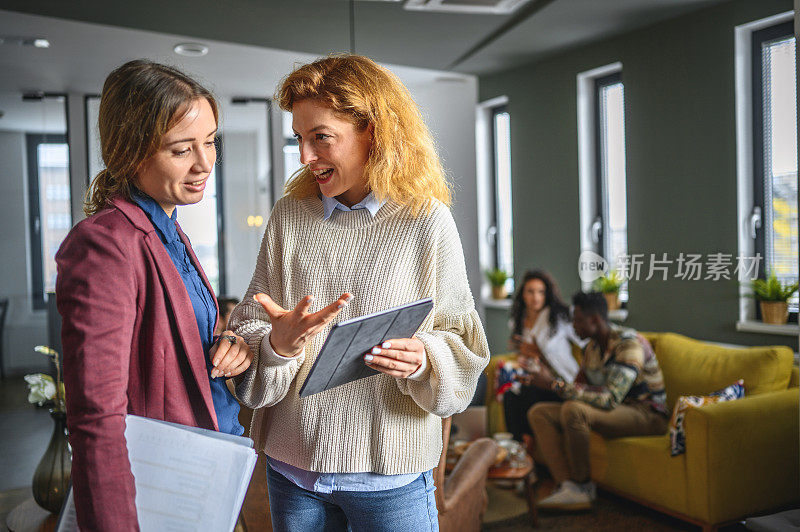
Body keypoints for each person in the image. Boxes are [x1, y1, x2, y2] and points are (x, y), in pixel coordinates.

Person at [228, 54, 490, 532]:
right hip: (293, 471)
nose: (305, 156)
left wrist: (423, 358)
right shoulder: (290, 215)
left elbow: (463, 342)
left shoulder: (426, 221)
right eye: (300, 140)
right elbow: (249, 322)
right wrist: (276, 344)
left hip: (391, 479)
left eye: (321, 137)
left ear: (373, 131)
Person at [56, 60, 253, 531]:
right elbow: (96, 417)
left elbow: (177, 348)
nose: (205, 163)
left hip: (211, 464)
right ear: (130, 153)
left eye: (209, 142)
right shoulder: (105, 243)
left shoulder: (169, 233)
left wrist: (233, 348)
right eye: (182, 149)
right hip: (159, 485)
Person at [527, 291, 668, 511]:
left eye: (578, 320)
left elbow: (610, 399)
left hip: (646, 414)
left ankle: (583, 488)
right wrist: (548, 377)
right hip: (615, 410)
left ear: (594, 320)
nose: (573, 326)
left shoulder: (629, 345)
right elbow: (579, 387)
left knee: (574, 410)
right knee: (539, 412)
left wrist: (555, 385)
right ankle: (568, 485)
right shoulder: (591, 349)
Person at [499, 270, 580, 444]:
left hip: (559, 380)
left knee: (527, 393)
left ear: (547, 294)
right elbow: (523, 356)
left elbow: (585, 338)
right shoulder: (518, 321)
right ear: (522, 294)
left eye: (540, 292)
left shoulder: (558, 317)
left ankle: (528, 444)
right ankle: (520, 446)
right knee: (510, 394)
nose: (535, 297)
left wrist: (538, 353)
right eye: (530, 291)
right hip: (534, 377)